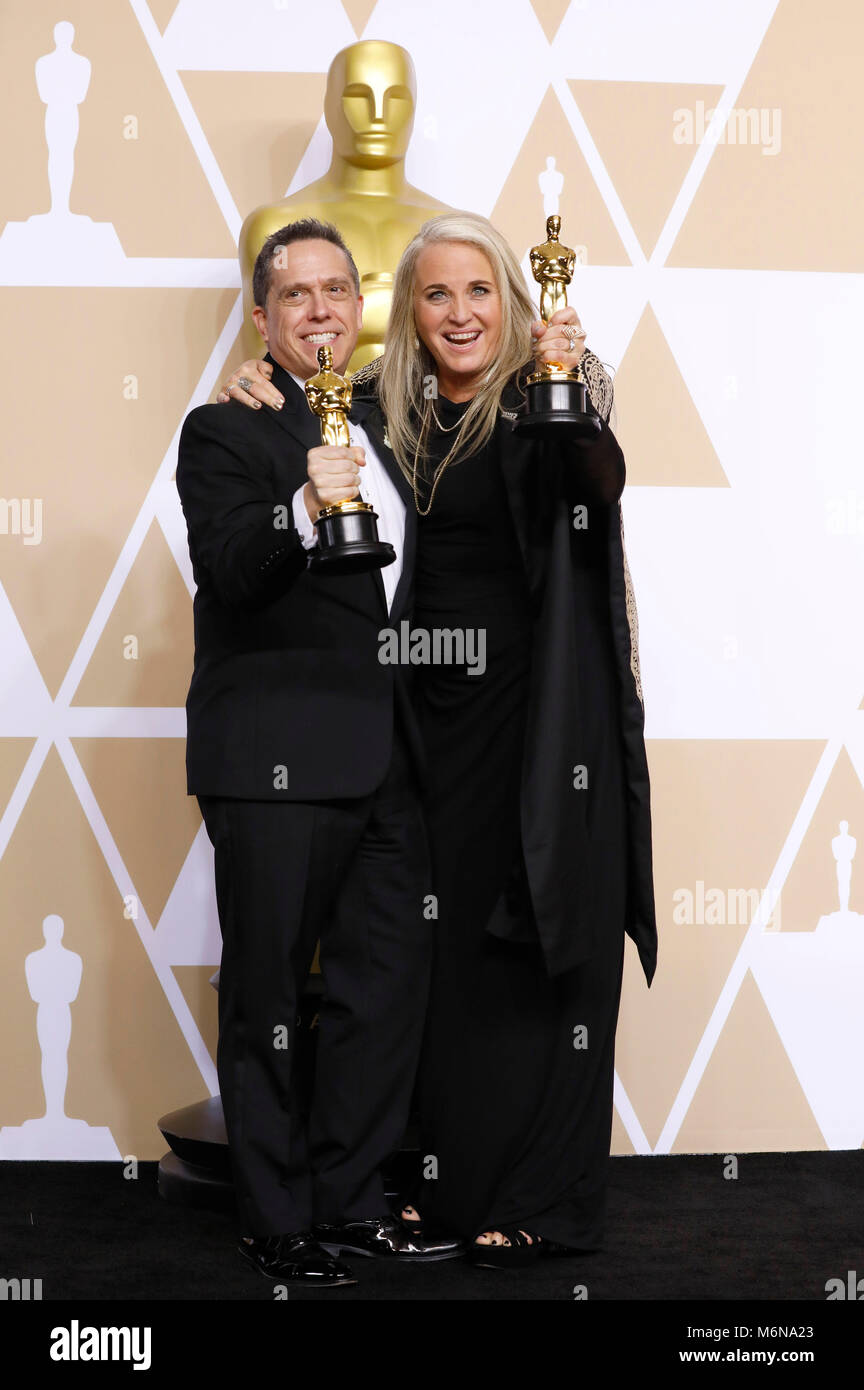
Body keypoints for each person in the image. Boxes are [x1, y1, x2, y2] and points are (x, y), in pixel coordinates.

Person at [220, 211, 657, 1267]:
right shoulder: (381, 409)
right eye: (436, 294)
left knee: (548, 940)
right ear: (406, 314)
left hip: (543, 716)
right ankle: (453, 1188)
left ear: (513, 299)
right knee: (449, 955)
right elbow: (304, 416)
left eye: (479, 292)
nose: (460, 313)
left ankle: (546, 1199)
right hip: (427, 721)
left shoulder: (546, 394)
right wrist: (254, 378)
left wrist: (573, 381)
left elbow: (601, 481)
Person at [177, 217, 462, 1288]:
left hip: (389, 758)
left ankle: (351, 1203)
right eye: (294, 295)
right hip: (274, 760)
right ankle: (276, 1217)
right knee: (268, 997)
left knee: (381, 989)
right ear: (261, 316)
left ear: (360, 304)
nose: (320, 310)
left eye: (336, 290)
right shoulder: (223, 430)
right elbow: (232, 567)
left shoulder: (390, 425)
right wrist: (304, 499)